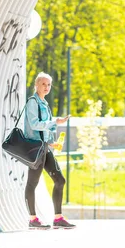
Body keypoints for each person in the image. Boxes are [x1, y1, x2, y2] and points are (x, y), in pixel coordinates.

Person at [23, 72, 75, 229]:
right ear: (36, 85)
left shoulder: (44, 104)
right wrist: (55, 122)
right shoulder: (33, 102)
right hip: (35, 148)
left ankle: (58, 218)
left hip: (45, 147)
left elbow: (44, 127)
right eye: (43, 84)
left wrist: (52, 143)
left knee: (60, 180)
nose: (46, 87)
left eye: (49, 85)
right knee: (33, 182)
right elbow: (34, 124)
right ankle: (33, 219)